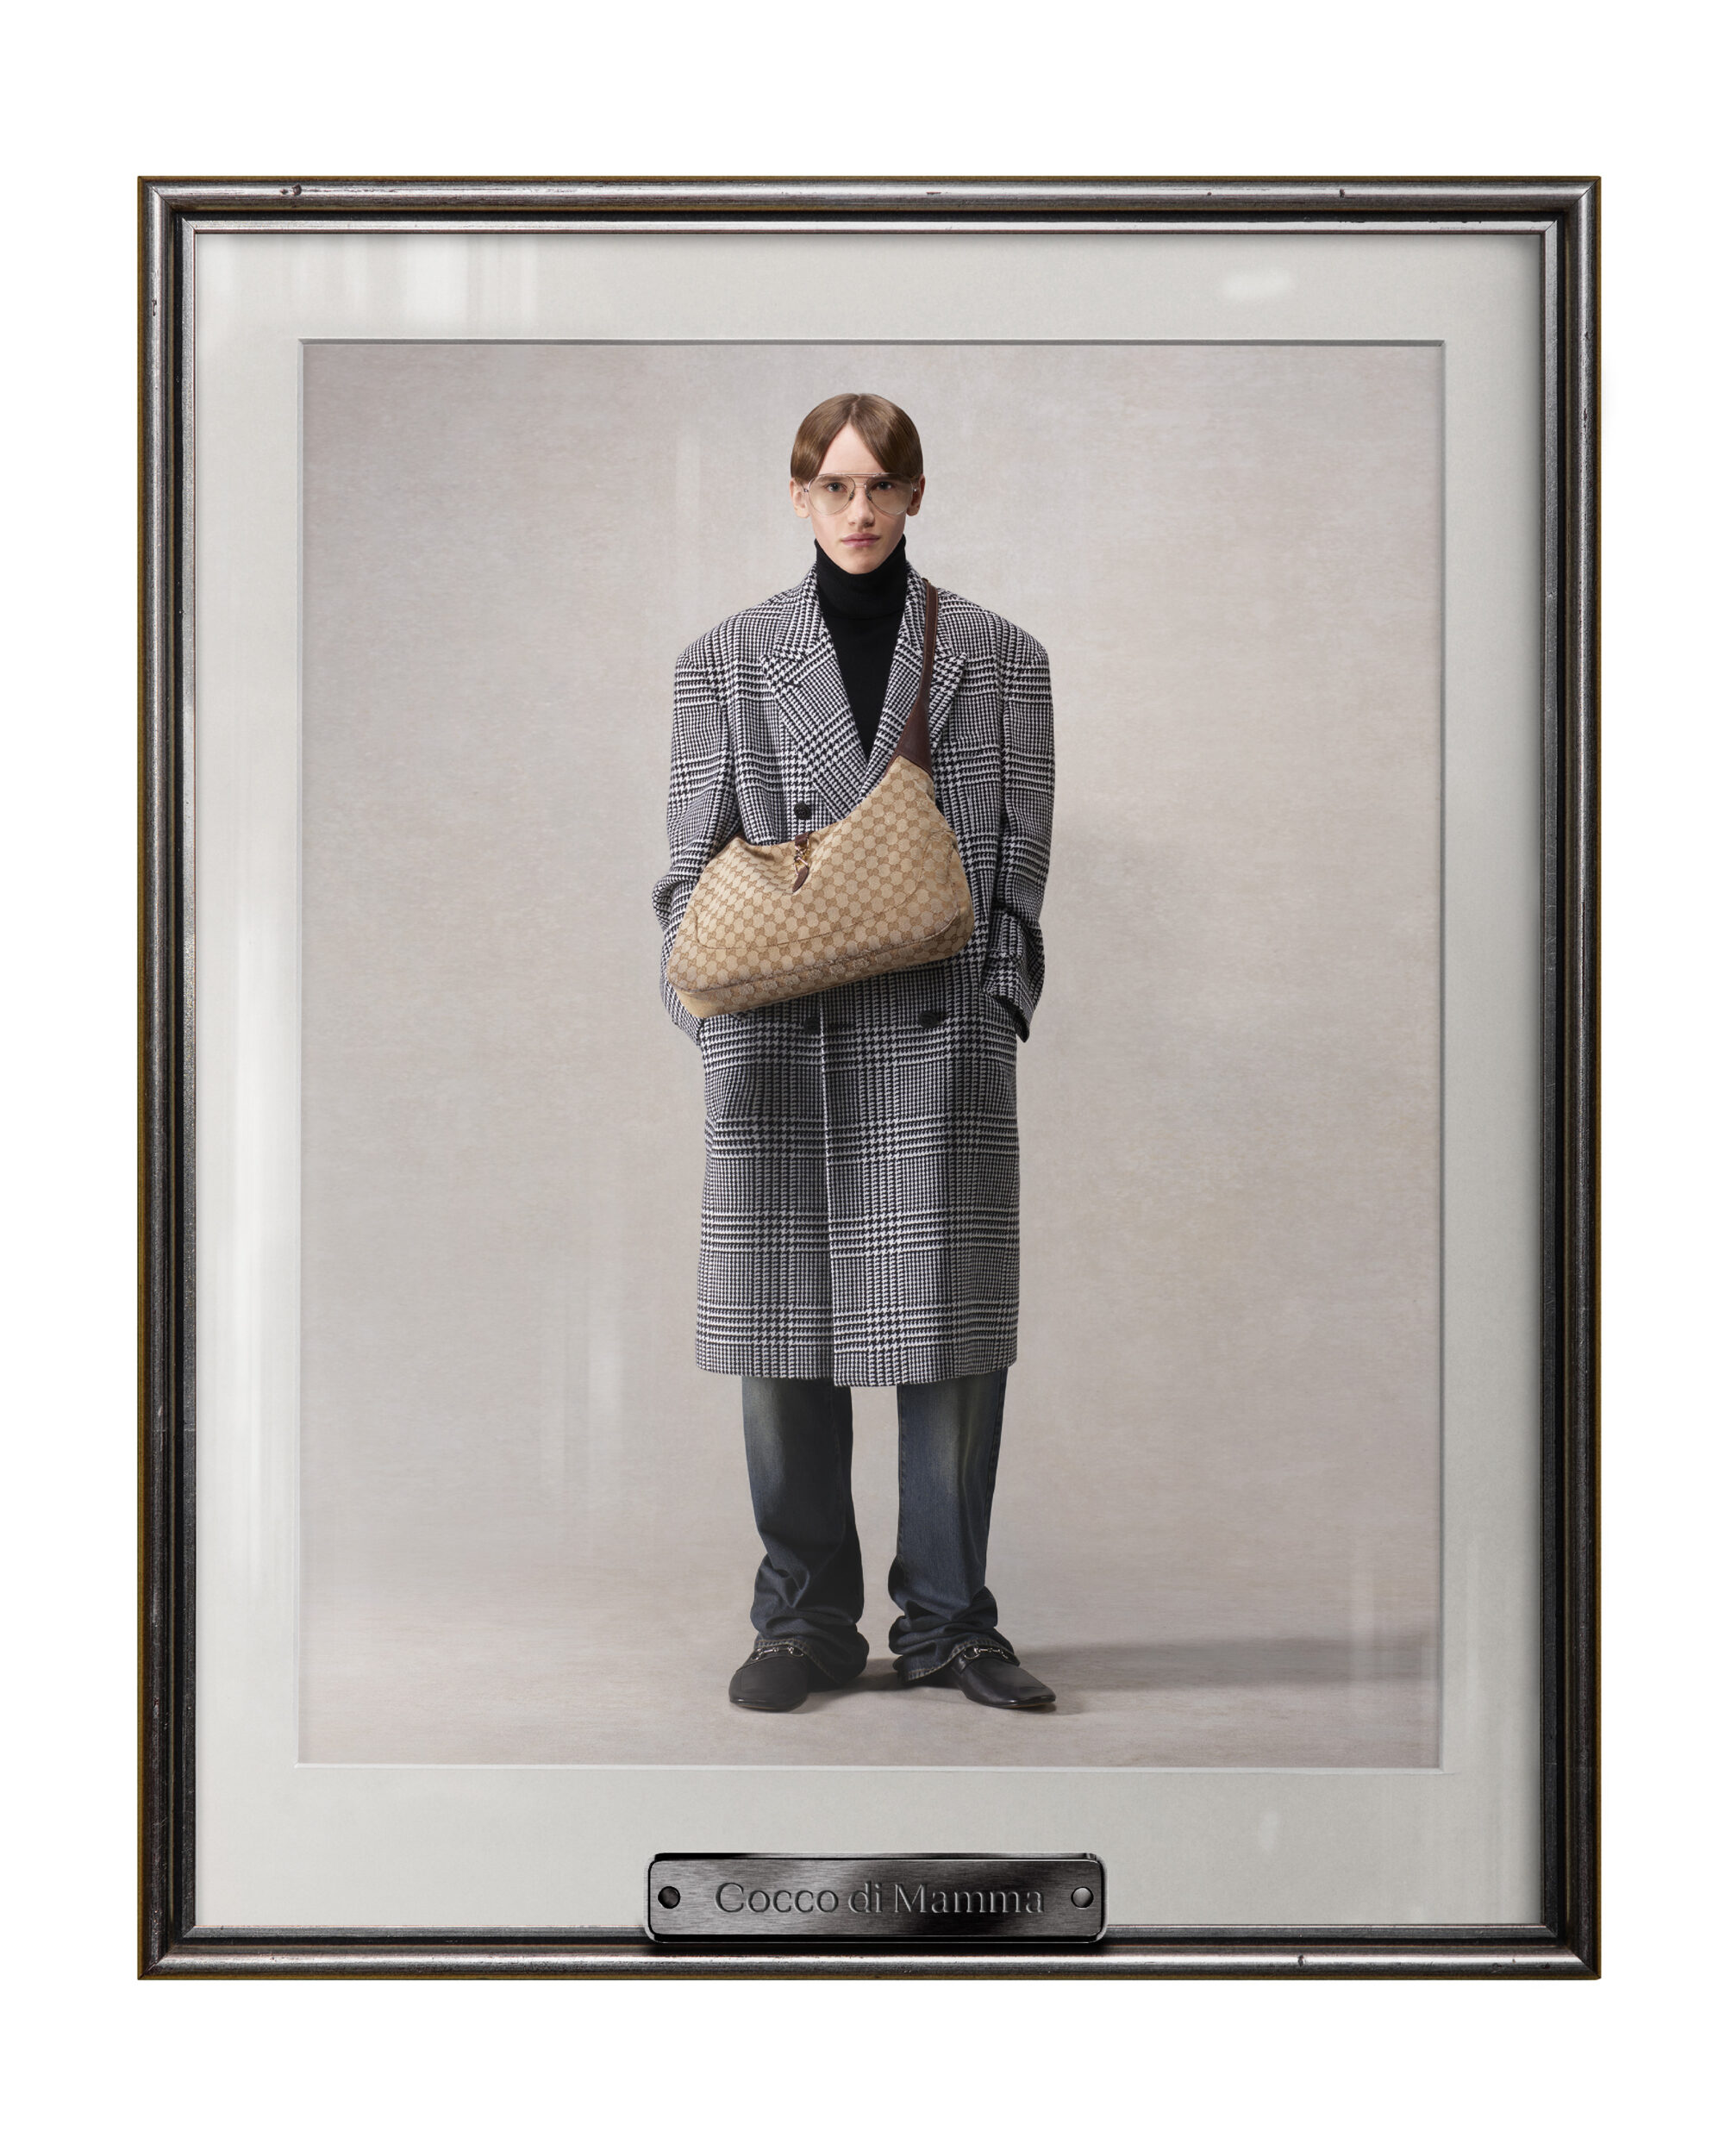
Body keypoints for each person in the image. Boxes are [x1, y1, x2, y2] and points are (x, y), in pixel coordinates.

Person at [652, 393, 1055, 1712]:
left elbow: (1019, 863)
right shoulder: (724, 660)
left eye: (881, 484)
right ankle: (802, 1622)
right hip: (780, 1042)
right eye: (834, 485)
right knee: (784, 1341)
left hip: (939, 1034)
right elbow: (687, 868)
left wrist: (996, 1006)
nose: (859, 509)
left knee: (951, 1346)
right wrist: (712, 1024)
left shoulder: (998, 656)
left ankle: (948, 1623)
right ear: (798, 497)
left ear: (916, 493)